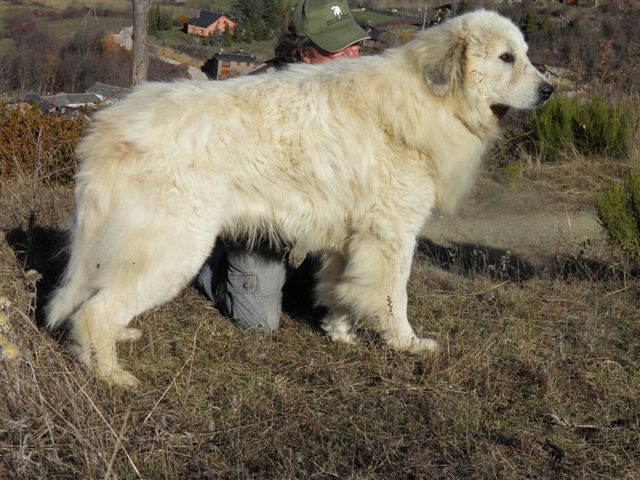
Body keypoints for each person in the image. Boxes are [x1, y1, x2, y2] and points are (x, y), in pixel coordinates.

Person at [197, 0, 370, 333]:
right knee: (259, 323)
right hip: (255, 219)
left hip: (312, 211)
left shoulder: (355, 91)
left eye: (355, 45)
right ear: (305, 53)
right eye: (337, 49)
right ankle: (209, 267)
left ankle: (306, 283)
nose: (352, 58)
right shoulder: (255, 97)